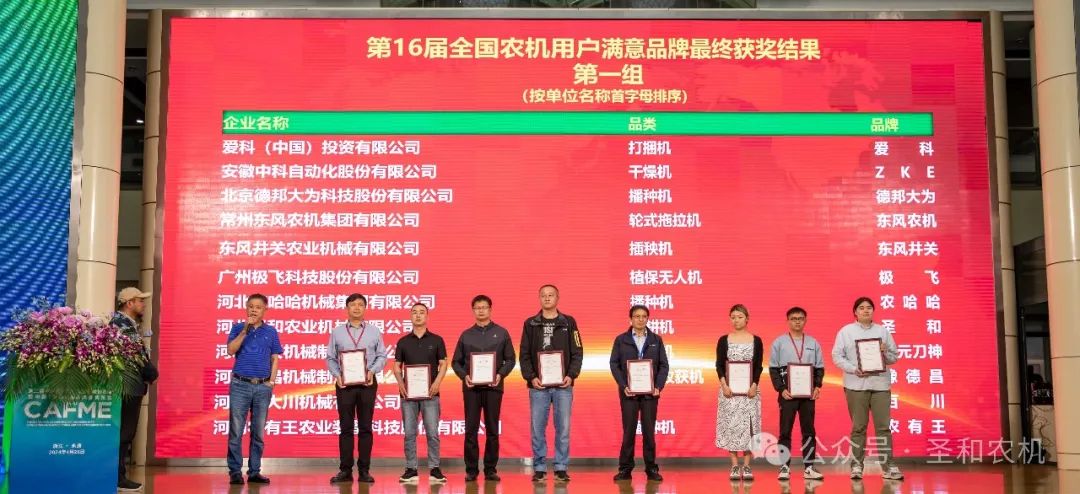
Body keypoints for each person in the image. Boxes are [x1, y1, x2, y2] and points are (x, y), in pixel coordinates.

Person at [831, 297, 903, 481]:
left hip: (880, 385)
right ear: (855, 312)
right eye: (861, 308)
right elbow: (837, 356)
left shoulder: (883, 331)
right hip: (856, 385)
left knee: (883, 428)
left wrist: (885, 352)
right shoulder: (846, 332)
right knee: (858, 428)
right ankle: (856, 466)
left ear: (873, 311)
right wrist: (853, 369)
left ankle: (889, 466)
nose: (865, 310)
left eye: (869, 307)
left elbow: (894, 357)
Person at [519, 284, 583, 483]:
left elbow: (577, 351)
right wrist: (531, 377)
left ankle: (561, 467)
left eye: (551, 295)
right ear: (539, 298)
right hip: (538, 386)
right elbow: (524, 354)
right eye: (543, 295)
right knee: (537, 428)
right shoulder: (530, 324)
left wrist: (571, 375)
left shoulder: (569, 322)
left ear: (557, 297)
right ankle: (539, 467)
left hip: (563, 385)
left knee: (563, 428)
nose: (547, 298)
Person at [451, 295, 516, 482]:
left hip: (494, 387)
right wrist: (464, 376)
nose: (481, 310)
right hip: (471, 388)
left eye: (484, 307)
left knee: (492, 429)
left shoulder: (501, 333)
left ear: (490, 309)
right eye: (477, 308)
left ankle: (490, 469)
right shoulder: (466, 335)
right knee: (471, 429)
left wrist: (500, 374)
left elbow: (511, 359)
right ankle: (471, 470)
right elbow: (456, 362)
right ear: (473, 311)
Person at [327, 293, 387, 484]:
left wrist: (372, 371)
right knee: (345, 428)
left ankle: (364, 471)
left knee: (365, 428)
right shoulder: (337, 332)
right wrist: (337, 375)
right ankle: (345, 470)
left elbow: (382, 356)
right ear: (347, 308)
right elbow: (330, 358)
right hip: (344, 385)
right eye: (353, 304)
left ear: (365, 308)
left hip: (367, 383)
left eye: (361, 304)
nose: (357, 308)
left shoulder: (374, 331)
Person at [226, 293, 283, 485]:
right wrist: (245, 330)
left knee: (258, 432)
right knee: (236, 430)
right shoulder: (237, 328)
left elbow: (275, 358)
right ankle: (235, 471)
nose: (254, 310)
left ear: (265, 310)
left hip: (262, 387)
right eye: (251, 306)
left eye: (258, 307)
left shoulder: (271, 331)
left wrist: (271, 382)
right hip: (240, 385)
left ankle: (254, 471)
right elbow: (231, 350)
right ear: (246, 308)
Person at [609, 305, 669, 482]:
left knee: (649, 432)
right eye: (637, 316)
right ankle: (625, 469)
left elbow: (664, 365)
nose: (640, 319)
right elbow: (614, 364)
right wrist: (623, 385)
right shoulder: (621, 340)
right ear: (631, 319)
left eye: (644, 316)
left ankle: (651, 468)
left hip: (650, 394)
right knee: (628, 431)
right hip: (629, 394)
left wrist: (658, 386)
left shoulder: (656, 340)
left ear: (648, 319)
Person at [392, 303, 449, 484]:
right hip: (408, 395)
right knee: (409, 433)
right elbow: (396, 366)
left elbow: (443, 364)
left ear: (427, 316)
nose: (418, 315)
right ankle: (411, 469)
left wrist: (437, 383)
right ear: (410, 316)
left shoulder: (437, 340)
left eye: (422, 312)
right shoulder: (403, 341)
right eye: (414, 312)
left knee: (432, 432)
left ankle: (434, 468)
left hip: (431, 394)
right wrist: (401, 383)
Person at [767, 307, 825, 481]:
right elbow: (773, 369)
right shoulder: (779, 342)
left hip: (808, 394)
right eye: (793, 318)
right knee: (785, 431)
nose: (797, 321)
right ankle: (784, 467)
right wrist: (781, 389)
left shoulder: (813, 343)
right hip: (788, 393)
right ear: (788, 321)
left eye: (800, 318)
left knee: (809, 431)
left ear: (805, 320)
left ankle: (809, 467)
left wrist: (817, 386)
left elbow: (819, 368)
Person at [111, 287, 158, 492]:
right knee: (124, 433)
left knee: (125, 433)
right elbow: (136, 355)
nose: (143, 304)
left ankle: (118, 475)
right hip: (127, 386)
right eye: (140, 301)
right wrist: (152, 373)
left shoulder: (126, 323)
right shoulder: (121, 324)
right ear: (129, 303)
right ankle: (118, 477)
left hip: (130, 385)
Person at [715, 304, 764, 481]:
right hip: (729, 392)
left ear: (747, 319)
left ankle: (747, 466)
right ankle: (735, 466)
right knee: (732, 426)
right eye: (733, 317)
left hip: (750, 391)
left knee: (749, 427)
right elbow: (719, 365)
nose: (736, 320)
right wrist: (724, 385)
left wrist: (754, 385)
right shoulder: (724, 340)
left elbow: (758, 366)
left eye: (740, 317)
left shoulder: (756, 340)